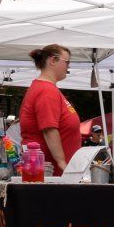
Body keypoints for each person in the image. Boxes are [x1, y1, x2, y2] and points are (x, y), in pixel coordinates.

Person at [19, 45, 81, 175]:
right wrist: (62, 163)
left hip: (50, 172)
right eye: (67, 62)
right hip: (51, 173)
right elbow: (49, 129)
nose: (68, 66)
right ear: (52, 60)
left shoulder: (46, 88)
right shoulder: (46, 90)